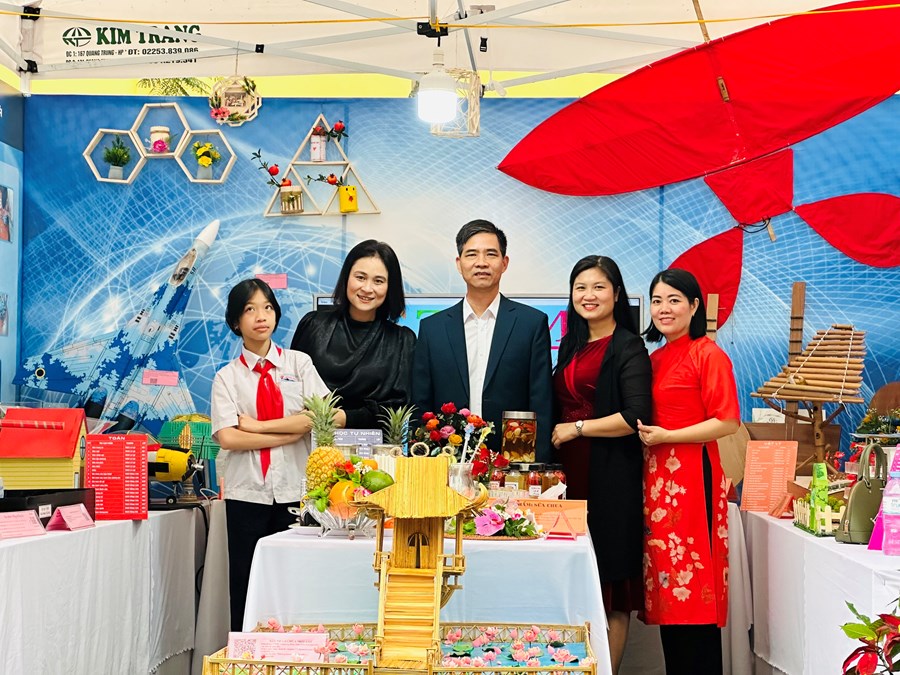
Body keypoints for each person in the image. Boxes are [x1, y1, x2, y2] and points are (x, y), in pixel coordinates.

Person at [210, 278, 345, 631]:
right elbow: (228, 437)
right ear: (235, 321)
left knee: (295, 579)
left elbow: (327, 416)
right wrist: (291, 431)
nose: (261, 316)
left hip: (296, 491)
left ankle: (296, 651)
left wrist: (257, 427)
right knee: (245, 581)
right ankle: (245, 652)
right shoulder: (227, 377)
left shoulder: (298, 364)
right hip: (247, 493)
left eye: (268, 307)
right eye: (250, 309)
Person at [550, 255, 651, 675]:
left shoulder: (628, 346)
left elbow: (635, 416)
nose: (588, 295)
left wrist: (577, 428)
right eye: (580, 287)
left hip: (611, 478)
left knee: (610, 586)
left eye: (598, 287)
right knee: (573, 581)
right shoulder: (572, 343)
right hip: (569, 477)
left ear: (616, 294)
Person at [636, 268, 740, 675]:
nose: (664, 308)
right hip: (656, 481)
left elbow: (727, 421)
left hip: (694, 478)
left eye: (674, 300)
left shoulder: (707, 354)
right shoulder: (654, 359)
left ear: (694, 306)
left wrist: (669, 435)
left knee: (694, 587)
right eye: (657, 300)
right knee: (668, 590)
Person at [411, 219, 553, 459]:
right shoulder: (432, 328)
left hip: (511, 459)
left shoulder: (531, 324)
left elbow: (541, 402)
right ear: (459, 264)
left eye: (491, 254)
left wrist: (535, 465)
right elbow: (421, 404)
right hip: (447, 459)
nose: (481, 262)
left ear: (504, 263)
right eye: (472, 254)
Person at [291, 239, 416, 428]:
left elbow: (399, 408)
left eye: (378, 281)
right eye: (360, 277)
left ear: (390, 287)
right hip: (309, 438)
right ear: (346, 277)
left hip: (375, 445)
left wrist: (344, 418)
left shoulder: (402, 340)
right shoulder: (313, 325)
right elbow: (290, 388)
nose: (367, 288)